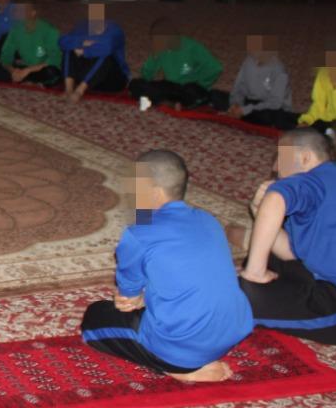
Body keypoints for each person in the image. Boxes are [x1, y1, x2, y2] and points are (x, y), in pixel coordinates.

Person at [81, 150, 252, 382]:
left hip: (181, 345)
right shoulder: (208, 220)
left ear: (153, 192)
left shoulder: (139, 233)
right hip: (232, 331)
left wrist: (133, 297)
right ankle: (187, 357)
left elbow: (127, 298)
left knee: (94, 318)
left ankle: (178, 368)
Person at [238, 128, 336, 345]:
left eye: (281, 157)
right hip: (330, 279)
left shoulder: (314, 182)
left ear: (306, 158)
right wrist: (260, 212)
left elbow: (276, 198)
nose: (275, 167)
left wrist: (254, 272)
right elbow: (290, 252)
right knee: (265, 258)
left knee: (234, 302)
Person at [127, 19, 223, 111]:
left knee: (192, 91)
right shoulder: (161, 48)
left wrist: (200, 83)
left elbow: (215, 67)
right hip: (171, 87)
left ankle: (172, 102)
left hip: (188, 88)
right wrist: (154, 57)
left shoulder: (191, 47)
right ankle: (171, 103)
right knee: (135, 84)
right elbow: (146, 76)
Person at [222, 34, 299, 130]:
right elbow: (239, 87)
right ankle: (240, 114)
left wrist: (245, 110)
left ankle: (243, 115)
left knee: (269, 118)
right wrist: (236, 104)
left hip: (271, 108)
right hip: (250, 103)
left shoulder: (279, 71)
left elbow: (275, 103)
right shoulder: (248, 61)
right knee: (216, 96)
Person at [59, 2, 128, 102]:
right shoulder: (82, 26)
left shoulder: (115, 30)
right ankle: (68, 89)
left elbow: (107, 47)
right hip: (88, 77)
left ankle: (79, 91)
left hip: (112, 79)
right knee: (70, 48)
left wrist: (85, 51)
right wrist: (81, 42)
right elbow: (63, 41)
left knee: (104, 54)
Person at [0, 0, 62, 86]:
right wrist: (13, 71)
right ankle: (26, 79)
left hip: (42, 68)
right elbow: (6, 55)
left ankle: (25, 79)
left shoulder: (50, 31)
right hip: (26, 69)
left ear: (33, 13)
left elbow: (55, 59)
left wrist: (28, 70)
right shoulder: (15, 30)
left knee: (53, 74)